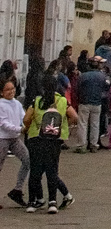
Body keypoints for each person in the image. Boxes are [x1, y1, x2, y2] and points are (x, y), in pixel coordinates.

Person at [23, 73, 78, 212]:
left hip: (36, 138)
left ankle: (32, 201)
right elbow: (74, 116)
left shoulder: (37, 101)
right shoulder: (62, 101)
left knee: (35, 170)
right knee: (52, 170)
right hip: (54, 139)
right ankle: (52, 202)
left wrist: (29, 127)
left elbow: (26, 118)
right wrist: (63, 126)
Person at [0, 76, 30, 205]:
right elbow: (3, 123)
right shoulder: (1, 105)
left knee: (27, 160)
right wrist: (19, 129)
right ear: (1, 92)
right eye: (8, 90)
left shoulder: (17, 103)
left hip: (14, 138)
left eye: (12, 89)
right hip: (2, 138)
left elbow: (24, 117)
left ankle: (18, 189)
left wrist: (27, 125)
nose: (11, 91)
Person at [74, 58, 109, 152]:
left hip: (84, 102)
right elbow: (106, 88)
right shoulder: (102, 76)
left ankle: (81, 145)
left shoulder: (83, 76)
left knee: (82, 124)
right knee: (95, 124)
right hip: (97, 102)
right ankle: (94, 144)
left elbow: (77, 88)